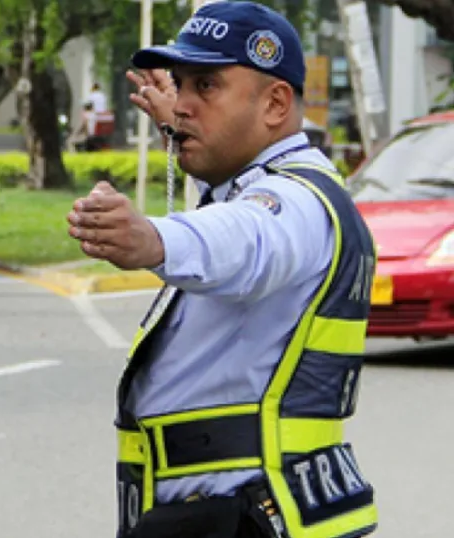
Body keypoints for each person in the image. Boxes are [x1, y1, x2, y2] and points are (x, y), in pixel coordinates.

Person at [66, 3, 378, 538]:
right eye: (180, 84)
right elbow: (235, 205)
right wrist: (186, 126)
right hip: (231, 511)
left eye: (206, 86)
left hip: (245, 516)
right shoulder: (258, 184)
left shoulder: (297, 200)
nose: (182, 104)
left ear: (276, 104)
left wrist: (153, 238)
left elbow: (246, 240)